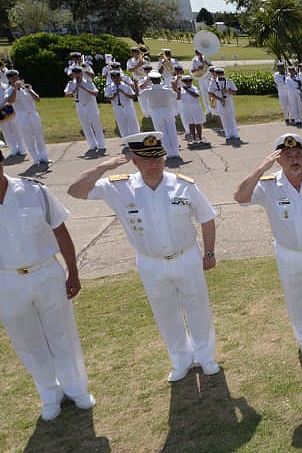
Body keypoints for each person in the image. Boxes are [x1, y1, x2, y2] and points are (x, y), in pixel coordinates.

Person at [67, 132, 221, 382]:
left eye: (158, 157)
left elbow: (207, 216)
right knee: (165, 313)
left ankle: (206, 357)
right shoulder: (118, 186)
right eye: (147, 158)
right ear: (134, 160)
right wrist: (104, 166)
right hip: (151, 262)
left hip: (186, 256)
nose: (155, 163)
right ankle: (181, 360)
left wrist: (209, 252)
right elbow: (75, 191)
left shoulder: (183, 184)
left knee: (198, 309)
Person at [0, 136, 94, 420]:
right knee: (27, 340)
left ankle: (76, 389)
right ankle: (49, 394)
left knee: (61, 332)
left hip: (45, 272)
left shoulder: (34, 191)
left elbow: (60, 232)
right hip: (6, 281)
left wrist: (73, 271)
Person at [235, 133, 302, 357]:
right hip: (288, 253)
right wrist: (261, 168)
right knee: (295, 298)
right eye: (288, 155)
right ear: (278, 160)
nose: (294, 160)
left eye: (298, 155)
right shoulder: (268, 186)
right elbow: (240, 197)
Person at [3, 70, 49, 170]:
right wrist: (15, 89)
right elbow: (11, 101)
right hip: (21, 116)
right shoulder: (8, 90)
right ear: (9, 79)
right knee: (28, 138)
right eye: (12, 78)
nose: (15, 79)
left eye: (16, 77)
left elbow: (38, 99)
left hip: (33, 114)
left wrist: (29, 90)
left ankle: (44, 158)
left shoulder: (26, 87)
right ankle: (36, 159)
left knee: (39, 136)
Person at [139, 72, 181, 161]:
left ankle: (168, 153)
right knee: (172, 131)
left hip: (156, 112)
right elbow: (176, 96)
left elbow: (140, 94)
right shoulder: (167, 89)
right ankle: (176, 152)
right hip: (168, 111)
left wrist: (146, 82)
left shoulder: (148, 90)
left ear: (151, 80)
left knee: (162, 132)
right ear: (159, 79)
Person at [65, 66, 105, 154]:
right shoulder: (71, 83)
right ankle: (92, 144)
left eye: (78, 73)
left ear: (82, 73)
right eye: (75, 73)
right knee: (85, 125)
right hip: (79, 105)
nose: (77, 75)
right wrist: (73, 91)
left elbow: (96, 93)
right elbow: (66, 95)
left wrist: (85, 88)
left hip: (90, 105)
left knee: (96, 124)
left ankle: (101, 144)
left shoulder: (88, 82)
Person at [209, 68, 240, 143]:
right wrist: (218, 98)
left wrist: (228, 91)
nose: (219, 75)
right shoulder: (213, 82)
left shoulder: (229, 81)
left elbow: (235, 92)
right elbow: (210, 92)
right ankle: (228, 134)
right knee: (224, 118)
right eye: (218, 73)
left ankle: (235, 133)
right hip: (220, 101)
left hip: (229, 101)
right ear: (215, 74)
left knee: (231, 117)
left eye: (221, 73)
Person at [177, 75, 207, 147]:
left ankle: (200, 138)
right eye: (185, 81)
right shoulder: (181, 89)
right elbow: (178, 98)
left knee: (197, 123)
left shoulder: (194, 88)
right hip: (186, 108)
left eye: (189, 81)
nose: (187, 82)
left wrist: (187, 90)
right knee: (191, 123)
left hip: (195, 108)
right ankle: (193, 138)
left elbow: (196, 95)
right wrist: (178, 91)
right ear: (183, 82)